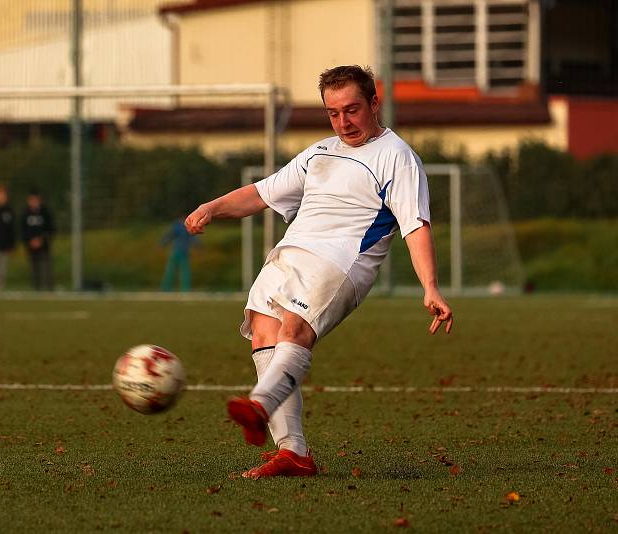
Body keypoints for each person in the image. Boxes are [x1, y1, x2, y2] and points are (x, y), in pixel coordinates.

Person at [184, 65, 453, 479]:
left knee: (295, 328)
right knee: (262, 330)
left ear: (374, 104)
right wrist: (211, 207)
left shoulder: (397, 157)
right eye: (333, 113)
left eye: (353, 109)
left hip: (341, 260)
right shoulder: (319, 152)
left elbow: (416, 224)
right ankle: (293, 454)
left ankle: (260, 404)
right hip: (291, 252)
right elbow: (261, 193)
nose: (344, 122)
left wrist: (430, 286)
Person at [21, 188, 55, 291]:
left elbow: (51, 229)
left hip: (44, 246)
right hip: (31, 247)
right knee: (34, 270)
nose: (34, 202)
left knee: (46, 269)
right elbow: (23, 230)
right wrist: (30, 241)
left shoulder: (45, 212)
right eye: (32, 199)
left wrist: (41, 240)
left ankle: (49, 290)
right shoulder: (25, 214)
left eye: (36, 199)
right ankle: (36, 290)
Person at [160, 217, 197, 292]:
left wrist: (162, 244)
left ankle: (166, 289)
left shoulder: (177, 225)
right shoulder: (189, 225)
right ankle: (185, 290)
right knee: (184, 271)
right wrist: (199, 247)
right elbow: (194, 238)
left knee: (171, 270)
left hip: (177, 250)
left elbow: (169, 236)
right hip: (183, 251)